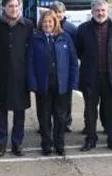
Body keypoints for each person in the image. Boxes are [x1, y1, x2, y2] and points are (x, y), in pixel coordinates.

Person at [74, 0, 112, 153]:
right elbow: (79, 51)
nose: (100, 13)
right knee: (90, 111)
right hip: (90, 76)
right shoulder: (83, 29)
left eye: (103, 10)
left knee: (111, 111)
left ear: (107, 11)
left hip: (111, 77)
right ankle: (90, 139)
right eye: (97, 10)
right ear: (92, 11)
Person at [27, 11, 79, 156]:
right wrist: (33, 83)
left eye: (50, 21)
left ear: (55, 22)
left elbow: (73, 62)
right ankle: (46, 144)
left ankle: (59, 144)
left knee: (60, 117)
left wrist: (73, 82)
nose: (47, 24)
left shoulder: (65, 38)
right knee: (44, 116)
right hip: (43, 86)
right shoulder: (35, 39)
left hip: (62, 86)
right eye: (45, 22)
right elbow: (30, 63)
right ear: (40, 24)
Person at [0, 0, 33, 156]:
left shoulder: (27, 25)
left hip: (21, 76)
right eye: (10, 6)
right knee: (1, 113)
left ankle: (17, 144)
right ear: (4, 8)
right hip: (2, 76)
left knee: (19, 113)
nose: (14, 9)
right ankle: (1, 144)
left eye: (16, 6)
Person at [50, 1, 78, 133]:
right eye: (55, 12)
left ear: (64, 12)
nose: (58, 14)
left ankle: (67, 122)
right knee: (50, 100)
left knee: (66, 99)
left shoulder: (71, 29)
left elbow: (76, 49)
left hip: (65, 69)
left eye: (60, 12)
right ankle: (48, 122)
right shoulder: (46, 26)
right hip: (51, 70)